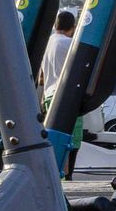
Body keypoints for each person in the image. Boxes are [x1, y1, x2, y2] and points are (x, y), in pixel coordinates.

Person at [36, 9, 89, 177]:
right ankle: (67, 176)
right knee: (72, 140)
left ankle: (54, 173)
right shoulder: (68, 44)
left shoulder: (48, 43)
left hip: (49, 95)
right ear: (73, 27)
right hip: (67, 96)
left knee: (55, 137)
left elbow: (42, 77)